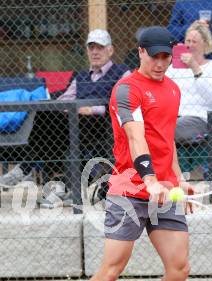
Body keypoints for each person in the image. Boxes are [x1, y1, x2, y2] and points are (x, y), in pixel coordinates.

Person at [54, 26, 193, 281]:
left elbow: (167, 140)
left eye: (166, 56)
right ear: (141, 52)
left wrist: (178, 179)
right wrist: (149, 179)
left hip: (164, 190)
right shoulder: (126, 89)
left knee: (178, 267)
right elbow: (136, 137)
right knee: (111, 270)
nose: (162, 63)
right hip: (129, 189)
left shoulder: (174, 89)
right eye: (155, 55)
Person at [0, 30, 130, 205]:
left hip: (104, 124)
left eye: (100, 47)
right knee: (47, 115)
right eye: (91, 47)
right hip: (74, 122)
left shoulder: (122, 72)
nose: (95, 52)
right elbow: (65, 99)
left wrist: (92, 109)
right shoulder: (81, 76)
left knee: (51, 127)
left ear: (110, 50)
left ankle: (29, 169)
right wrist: (63, 107)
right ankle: (57, 185)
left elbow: (125, 101)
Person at [166, 21, 212, 146]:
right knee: (149, 126)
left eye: (194, 42)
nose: (190, 45)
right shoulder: (174, 68)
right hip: (175, 118)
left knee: (165, 130)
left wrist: (195, 67)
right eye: (188, 41)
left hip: (202, 120)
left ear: (205, 44)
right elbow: (162, 91)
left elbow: (211, 98)